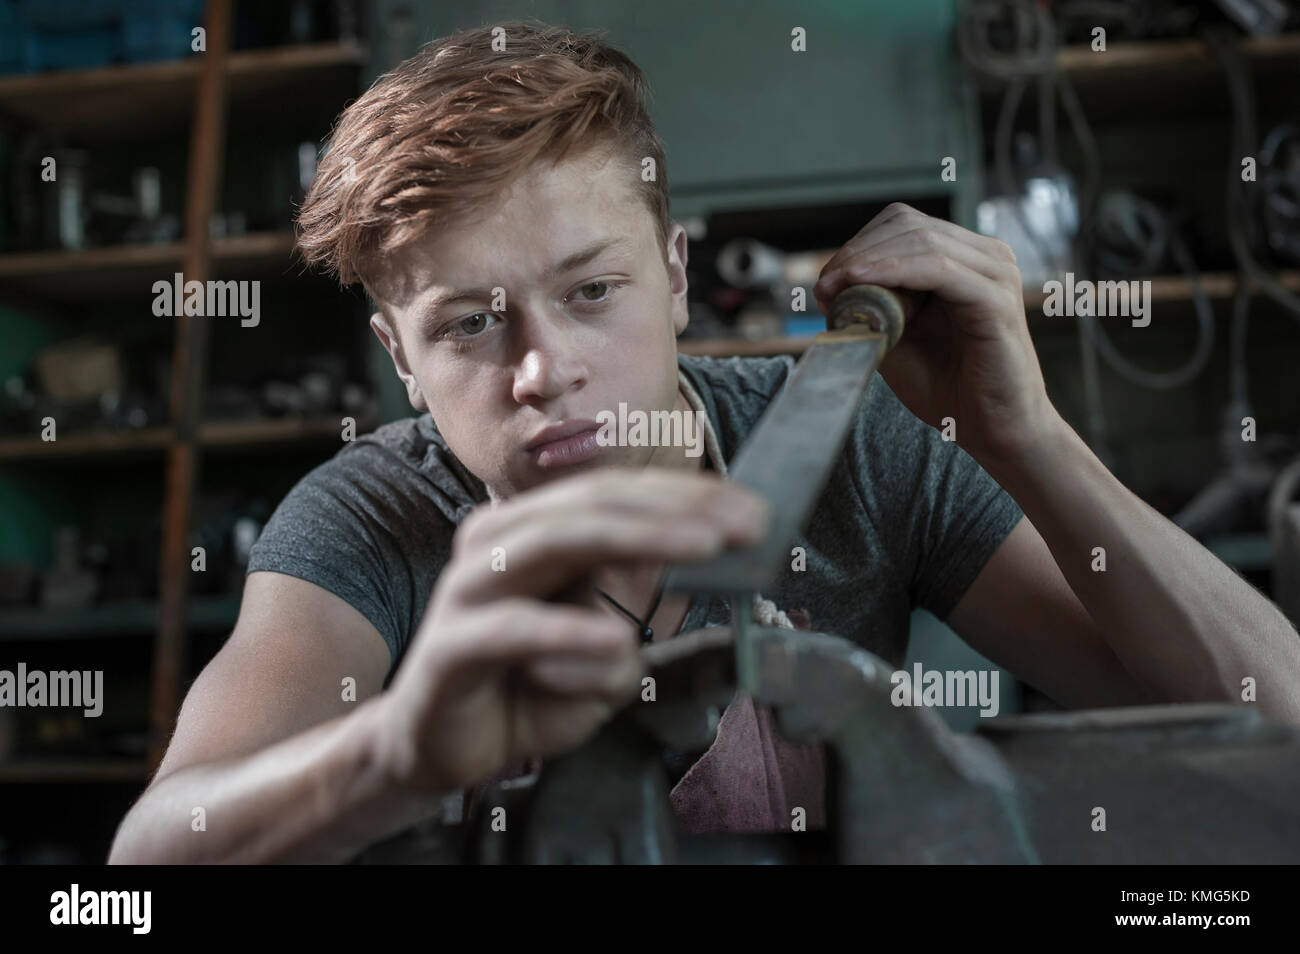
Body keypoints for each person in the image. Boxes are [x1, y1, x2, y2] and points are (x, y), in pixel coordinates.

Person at [109, 19, 1300, 864]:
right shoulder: (370, 519)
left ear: (675, 273)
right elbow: (145, 869)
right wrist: (397, 754)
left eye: (591, 292)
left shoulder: (849, 447)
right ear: (399, 360)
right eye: (469, 325)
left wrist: (1028, 437)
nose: (544, 371)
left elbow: (1273, 720)